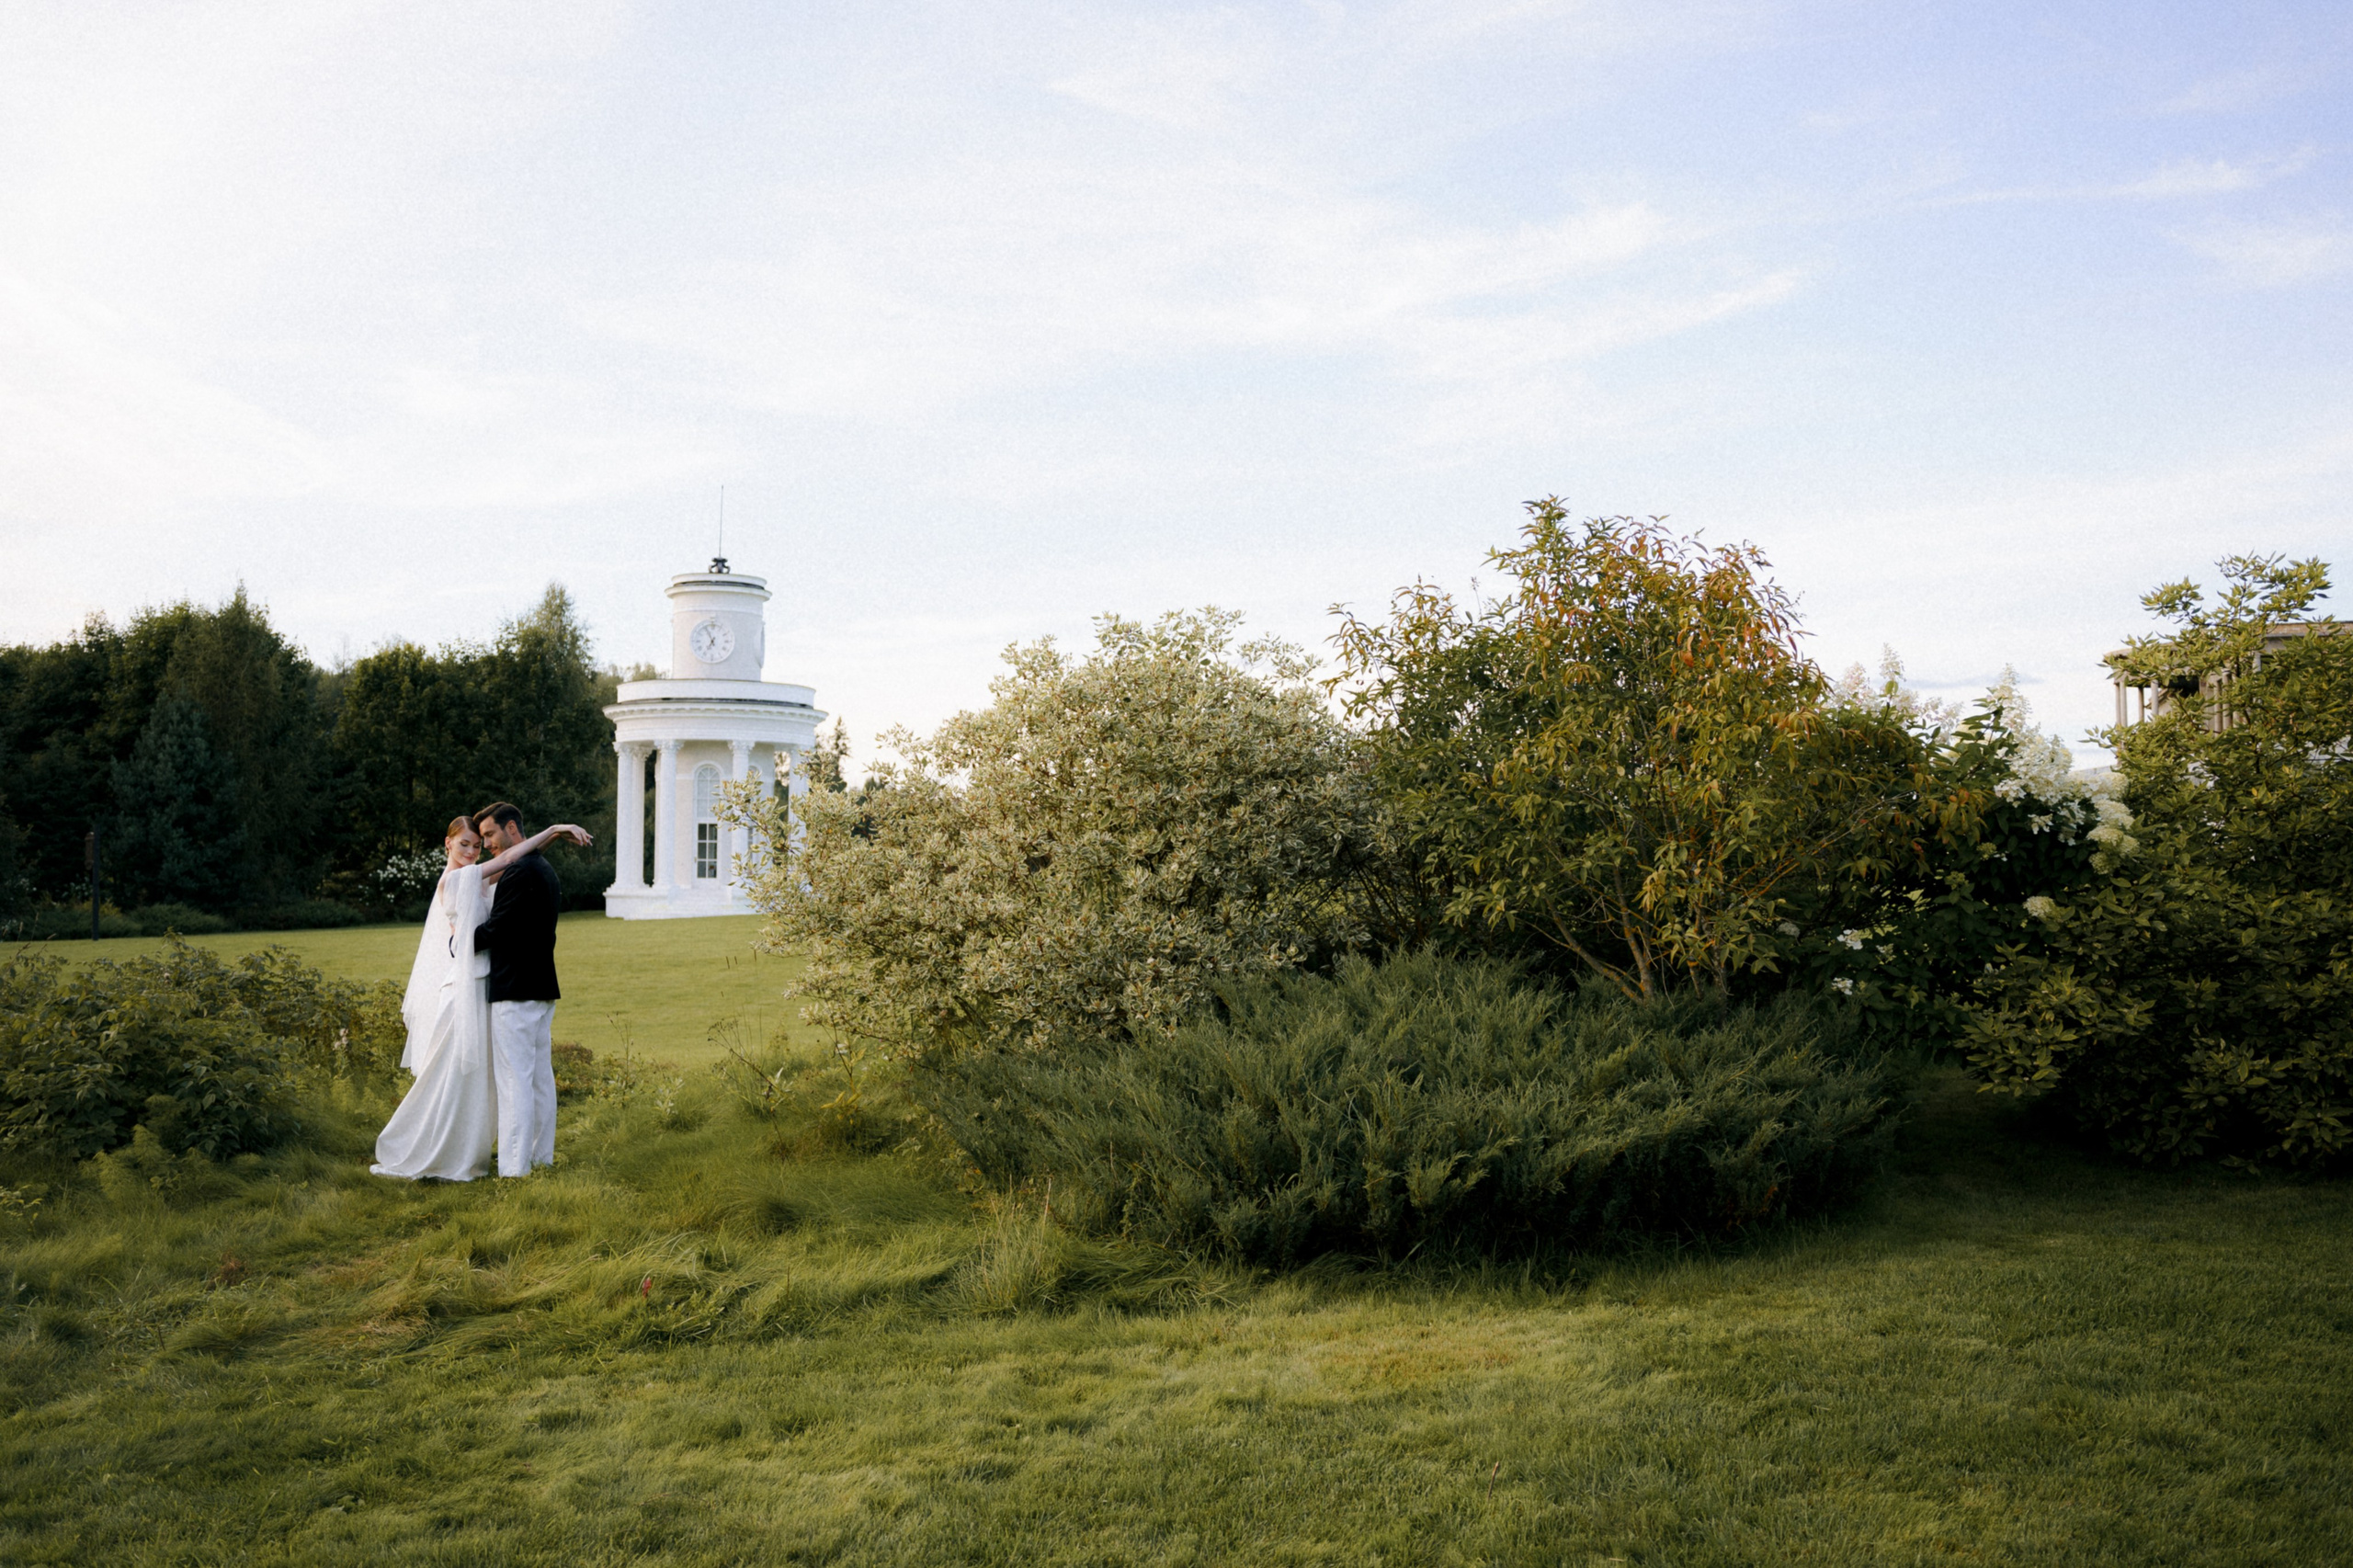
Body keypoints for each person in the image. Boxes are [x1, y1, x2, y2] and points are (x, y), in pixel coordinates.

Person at [371, 812, 590, 1181]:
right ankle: (442, 1147)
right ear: (448, 844)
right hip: (470, 982)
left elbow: (516, 855)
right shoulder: (459, 877)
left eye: (478, 843)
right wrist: (554, 829)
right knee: (456, 1074)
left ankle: (495, 1154)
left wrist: (551, 838)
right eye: (466, 844)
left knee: (493, 1077)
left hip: (491, 982)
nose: (474, 850)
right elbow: (509, 858)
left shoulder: (483, 873)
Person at [472, 801, 584, 1178]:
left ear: (512, 830)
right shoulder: (541, 868)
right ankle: (540, 1159)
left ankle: (515, 1171)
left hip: (514, 990)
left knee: (515, 1080)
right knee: (538, 1079)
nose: (486, 843)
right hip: (539, 988)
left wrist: (456, 943)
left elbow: (495, 930)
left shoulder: (519, 873)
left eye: (490, 834)